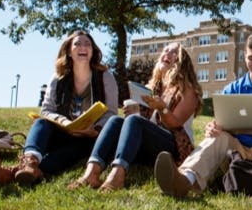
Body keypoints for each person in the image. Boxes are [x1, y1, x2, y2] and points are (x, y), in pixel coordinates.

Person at [154, 32, 252, 201]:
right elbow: (222, 122)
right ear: (245, 57)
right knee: (218, 137)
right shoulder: (231, 90)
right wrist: (213, 127)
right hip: (236, 152)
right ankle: (184, 180)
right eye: (250, 58)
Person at [0, 30, 119, 186]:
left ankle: (11, 174)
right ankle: (30, 164)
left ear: (93, 51)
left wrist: (96, 129)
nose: (83, 47)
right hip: (62, 133)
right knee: (41, 123)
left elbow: (111, 113)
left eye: (88, 44)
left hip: (90, 137)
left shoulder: (105, 76)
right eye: (77, 44)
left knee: (73, 150)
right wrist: (64, 123)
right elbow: (46, 110)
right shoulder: (58, 78)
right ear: (69, 51)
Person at [68, 42, 203, 192]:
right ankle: (91, 172)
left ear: (181, 61)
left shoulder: (188, 90)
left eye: (173, 52)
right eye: (165, 51)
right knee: (116, 120)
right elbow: (142, 122)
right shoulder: (153, 87)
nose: (167, 54)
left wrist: (162, 108)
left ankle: (117, 175)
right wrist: (134, 112)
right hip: (149, 146)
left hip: (174, 149)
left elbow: (175, 125)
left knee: (134, 121)